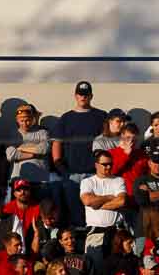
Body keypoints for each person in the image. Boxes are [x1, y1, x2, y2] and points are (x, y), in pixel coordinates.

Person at [55, 81, 108, 225]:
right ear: (75, 96)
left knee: (96, 212)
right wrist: (60, 166)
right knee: (74, 213)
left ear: (91, 96)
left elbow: (110, 140)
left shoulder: (101, 116)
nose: (83, 97)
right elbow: (57, 143)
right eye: (80, 94)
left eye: (86, 94)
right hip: (72, 173)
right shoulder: (66, 118)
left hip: (95, 173)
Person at [80, 150, 129, 266]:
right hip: (96, 233)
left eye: (110, 164)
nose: (108, 167)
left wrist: (96, 205)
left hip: (116, 233)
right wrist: (109, 197)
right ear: (96, 165)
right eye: (105, 164)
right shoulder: (87, 182)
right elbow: (87, 200)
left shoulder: (118, 180)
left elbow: (121, 201)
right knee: (95, 268)